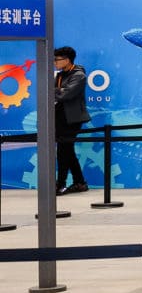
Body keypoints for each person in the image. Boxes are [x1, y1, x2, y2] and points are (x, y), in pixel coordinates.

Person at [52, 46, 90, 194]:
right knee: (67, 150)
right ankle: (80, 182)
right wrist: (59, 90)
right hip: (59, 116)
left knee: (63, 151)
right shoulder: (60, 75)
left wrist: (57, 91)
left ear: (67, 60)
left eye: (57, 59)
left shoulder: (79, 75)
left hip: (72, 119)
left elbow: (65, 95)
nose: (54, 62)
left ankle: (60, 184)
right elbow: (57, 92)